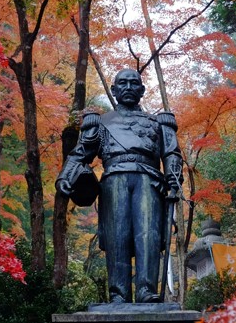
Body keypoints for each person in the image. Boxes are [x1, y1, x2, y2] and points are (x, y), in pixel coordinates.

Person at [56, 69, 183, 303]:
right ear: (113, 90)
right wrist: (65, 177)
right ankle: (119, 293)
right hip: (114, 179)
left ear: (142, 90)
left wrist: (174, 177)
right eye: (122, 83)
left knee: (149, 235)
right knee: (118, 235)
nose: (128, 87)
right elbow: (79, 155)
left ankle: (146, 290)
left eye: (134, 83)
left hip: (149, 179)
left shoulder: (158, 123)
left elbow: (172, 153)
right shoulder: (100, 123)